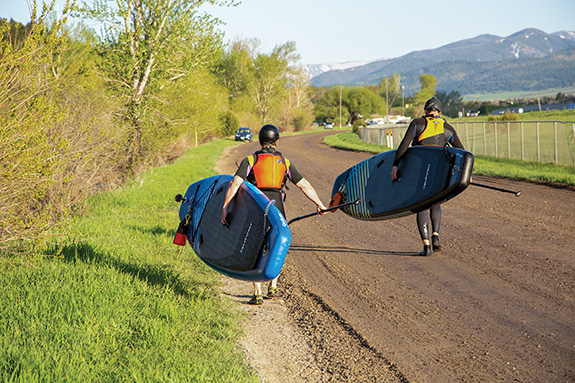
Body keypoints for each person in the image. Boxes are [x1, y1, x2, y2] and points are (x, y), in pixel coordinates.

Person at [221, 124, 327, 305]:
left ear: (260, 141)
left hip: (257, 206)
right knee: (277, 245)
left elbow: (235, 184)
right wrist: (320, 204)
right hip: (277, 208)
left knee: (254, 247)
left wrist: (225, 207)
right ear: (276, 142)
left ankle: (258, 293)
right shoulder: (285, 162)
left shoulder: (251, 159)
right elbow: (304, 185)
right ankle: (273, 286)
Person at [390, 97, 465, 256]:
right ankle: (435, 235)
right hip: (439, 172)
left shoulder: (417, 124)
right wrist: (466, 174)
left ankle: (426, 246)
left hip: (420, 170)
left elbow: (404, 145)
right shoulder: (447, 128)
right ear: (439, 112)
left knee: (421, 204)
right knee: (435, 201)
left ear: (426, 111)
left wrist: (395, 166)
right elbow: (462, 152)